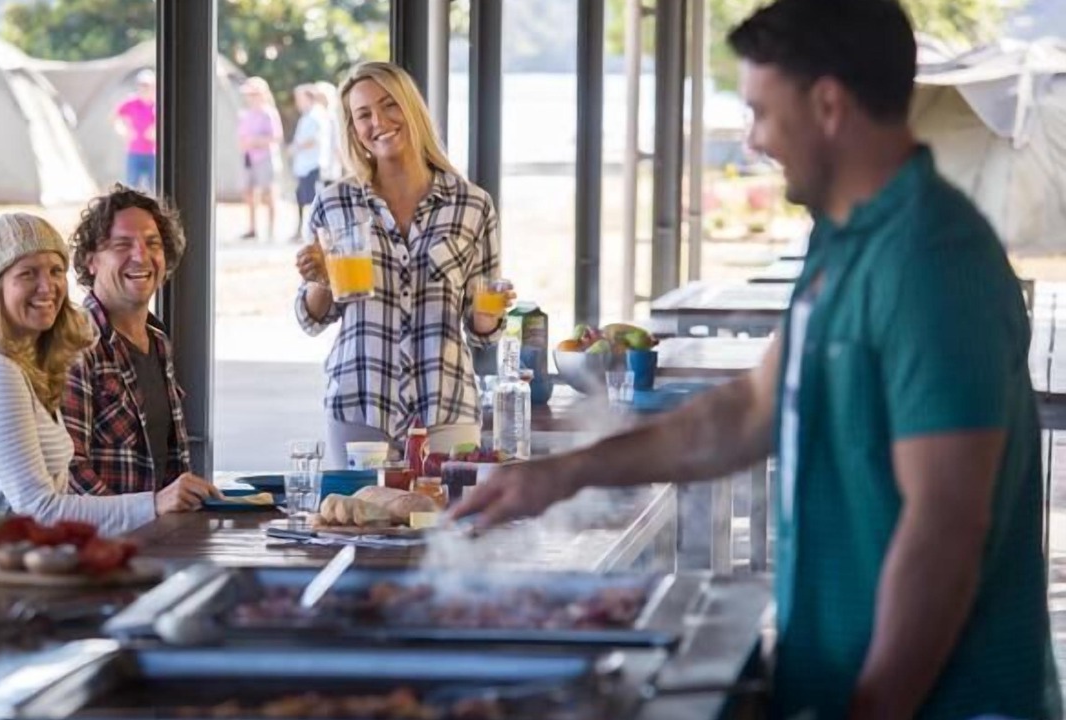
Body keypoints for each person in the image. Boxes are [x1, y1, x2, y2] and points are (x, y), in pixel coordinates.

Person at [453, 1, 1061, 718]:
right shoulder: (843, 237)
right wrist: (569, 471)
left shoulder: (932, 260)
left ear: (828, 104)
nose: (753, 139)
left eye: (762, 112)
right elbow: (749, 411)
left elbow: (946, 530)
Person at [0, 213, 212, 557]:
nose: (48, 287)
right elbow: (40, 511)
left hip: (12, 563)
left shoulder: (30, 362)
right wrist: (153, 505)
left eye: (55, 271)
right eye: (27, 273)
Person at [294, 61, 515, 469]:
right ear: (353, 128)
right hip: (360, 404)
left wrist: (489, 314)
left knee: (448, 529)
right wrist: (320, 280)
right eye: (363, 115)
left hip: (446, 407)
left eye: (389, 104)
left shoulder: (472, 204)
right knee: (359, 523)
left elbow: (482, 330)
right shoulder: (334, 202)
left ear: (412, 109)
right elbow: (313, 317)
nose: (378, 121)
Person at [63, 185, 210, 497]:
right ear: (92, 261)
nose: (141, 256)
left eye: (152, 243)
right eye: (121, 245)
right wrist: (141, 513)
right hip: (102, 541)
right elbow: (69, 470)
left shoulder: (158, 342)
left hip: (158, 538)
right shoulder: (75, 344)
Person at [237, 76, 283, 241]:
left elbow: (276, 137)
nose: (250, 97)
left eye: (253, 93)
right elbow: (241, 136)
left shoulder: (269, 113)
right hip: (249, 158)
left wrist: (256, 141)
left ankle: (271, 229)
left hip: (265, 158)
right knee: (249, 193)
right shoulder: (245, 114)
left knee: (268, 193)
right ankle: (252, 228)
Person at [288, 83, 329, 242]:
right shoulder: (306, 116)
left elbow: (315, 139)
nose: (297, 102)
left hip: (312, 165)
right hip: (304, 166)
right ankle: (301, 230)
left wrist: (296, 146)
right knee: (300, 198)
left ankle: (316, 234)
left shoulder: (316, 115)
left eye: (300, 98)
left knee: (313, 201)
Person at [114, 69, 157, 192]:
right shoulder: (131, 103)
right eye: (141, 85)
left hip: (153, 153)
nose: (144, 88)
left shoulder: (158, 105)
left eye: (147, 85)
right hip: (134, 152)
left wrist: (156, 131)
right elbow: (115, 117)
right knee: (132, 187)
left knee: (154, 187)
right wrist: (122, 130)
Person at [312, 80, 344, 185]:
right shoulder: (319, 115)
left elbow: (337, 140)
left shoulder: (334, 116)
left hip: (333, 164)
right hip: (321, 164)